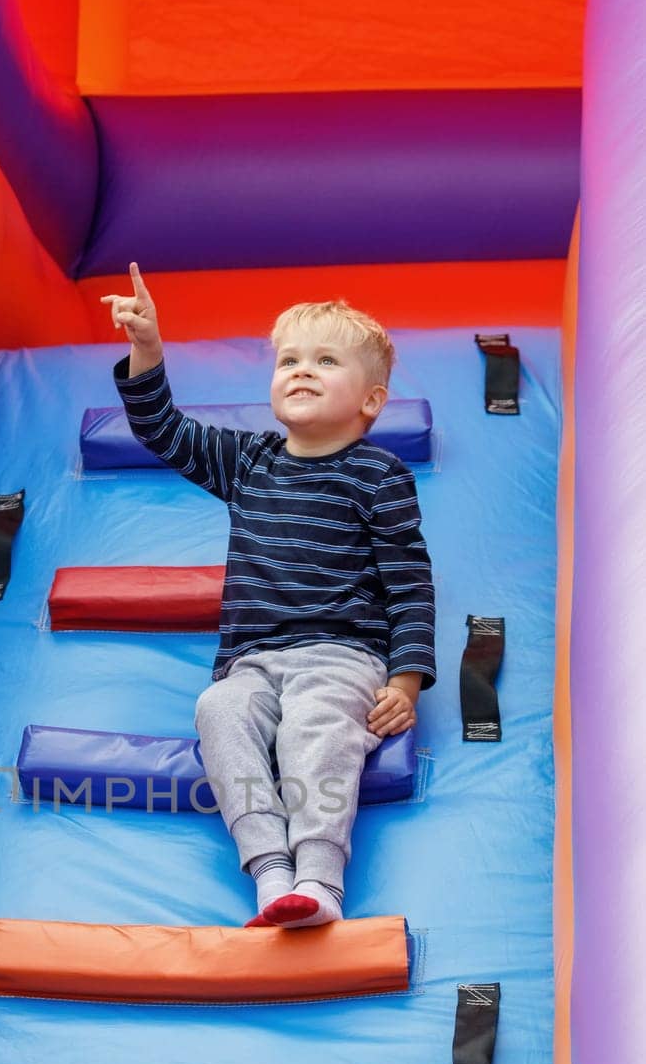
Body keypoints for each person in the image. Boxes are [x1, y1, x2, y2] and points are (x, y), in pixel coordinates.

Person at [101, 263, 436, 928]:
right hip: (249, 662)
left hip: (340, 654)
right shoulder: (247, 461)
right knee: (217, 712)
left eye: (324, 360)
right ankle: (270, 868)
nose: (300, 370)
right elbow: (161, 430)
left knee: (317, 729)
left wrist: (404, 682)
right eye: (288, 360)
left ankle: (318, 877)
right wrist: (148, 349)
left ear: (370, 401)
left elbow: (408, 580)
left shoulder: (377, 474)